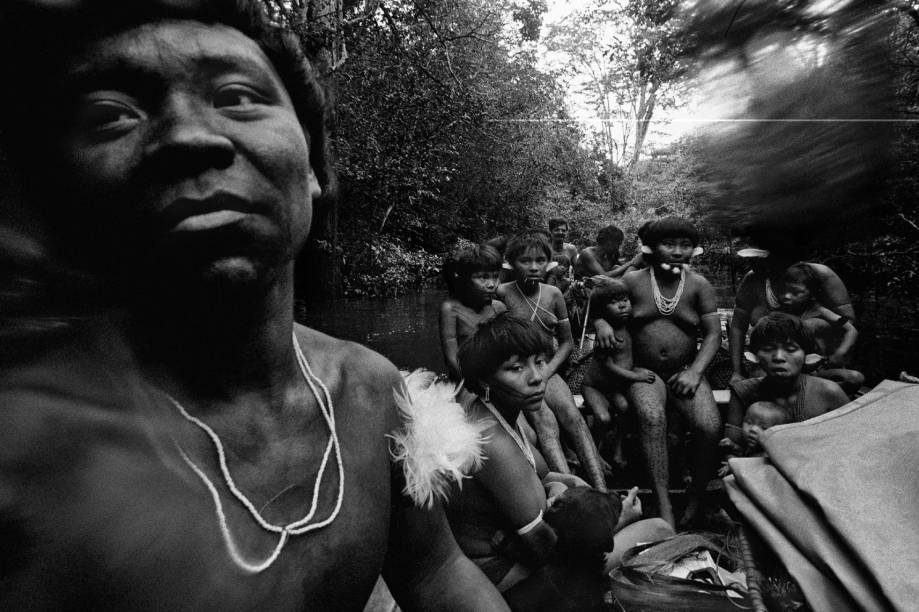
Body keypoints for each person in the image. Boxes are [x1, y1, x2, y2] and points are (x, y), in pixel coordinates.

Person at [0, 2, 507, 610]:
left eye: (239, 96)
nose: (189, 135)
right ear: (54, 199)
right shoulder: (25, 453)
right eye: (112, 113)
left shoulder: (369, 391)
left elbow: (435, 573)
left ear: (314, 169)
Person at [450, 313, 672, 609]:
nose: (536, 377)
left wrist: (567, 482)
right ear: (483, 379)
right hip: (514, 585)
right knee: (659, 530)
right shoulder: (493, 442)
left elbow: (542, 476)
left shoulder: (499, 414)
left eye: (539, 361)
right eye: (516, 368)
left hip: (518, 559)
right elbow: (545, 548)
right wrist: (618, 519)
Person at [594, 217, 721, 528]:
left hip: (683, 371)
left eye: (685, 245)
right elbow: (599, 303)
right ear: (652, 247)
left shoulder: (698, 285)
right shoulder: (634, 280)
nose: (677, 251)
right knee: (652, 417)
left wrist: (695, 371)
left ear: (694, 249)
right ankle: (664, 506)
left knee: (708, 425)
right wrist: (601, 323)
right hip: (644, 372)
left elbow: (714, 334)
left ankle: (696, 500)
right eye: (669, 244)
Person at [497, 231, 606, 490]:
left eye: (539, 260)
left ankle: (601, 490)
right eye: (525, 261)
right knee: (545, 421)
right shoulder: (501, 293)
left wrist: (548, 372)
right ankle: (572, 493)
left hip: (548, 367)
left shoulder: (554, 294)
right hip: (517, 373)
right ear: (511, 263)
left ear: (548, 263)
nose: (533, 267)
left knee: (573, 416)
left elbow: (567, 343)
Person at [729, 233, 855, 385]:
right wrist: (736, 371)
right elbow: (737, 327)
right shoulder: (753, 280)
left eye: (760, 257)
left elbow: (849, 326)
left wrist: (837, 352)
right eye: (752, 257)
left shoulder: (817, 281)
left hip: (814, 365)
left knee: (852, 379)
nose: (753, 262)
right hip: (773, 366)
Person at [727, 313, 850, 442]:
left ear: (807, 357)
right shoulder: (742, 392)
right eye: (768, 349)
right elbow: (731, 450)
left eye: (790, 349)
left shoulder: (829, 392)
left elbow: (853, 442)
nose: (779, 357)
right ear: (755, 356)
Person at [579, 280, 656, 469]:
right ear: (602, 310)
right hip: (594, 386)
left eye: (625, 299)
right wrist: (636, 377)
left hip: (614, 387)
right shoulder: (606, 335)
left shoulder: (628, 325)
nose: (622, 305)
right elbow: (608, 367)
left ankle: (618, 448)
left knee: (624, 408)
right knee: (603, 418)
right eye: (614, 302)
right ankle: (594, 452)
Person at [779, 262, 865, 393]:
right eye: (784, 291)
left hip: (819, 372)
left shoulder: (820, 311)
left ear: (812, 294)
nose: (787, 296)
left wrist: (840, 352)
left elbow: (851, 330)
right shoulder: (780, 313)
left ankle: (816, 394)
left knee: (855, 378)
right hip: (791, 373)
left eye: (795, 292)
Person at [439, 243, 507, 382]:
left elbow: (507, 349)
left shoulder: (499, 308)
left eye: (495, 276)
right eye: (482, 277)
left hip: (496, 376)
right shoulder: (450, 309)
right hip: (464, 379)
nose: (491, 284)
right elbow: (452, 359)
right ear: (465, 279)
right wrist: (478, 384)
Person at [717, 400, 788, 476]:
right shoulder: (756, 447)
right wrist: (734, 446)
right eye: (749, 422)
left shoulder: (769, 455)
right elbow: (746, 456)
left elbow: (754, 468)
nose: (753, 429)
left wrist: (735, 466)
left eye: (763, 427)